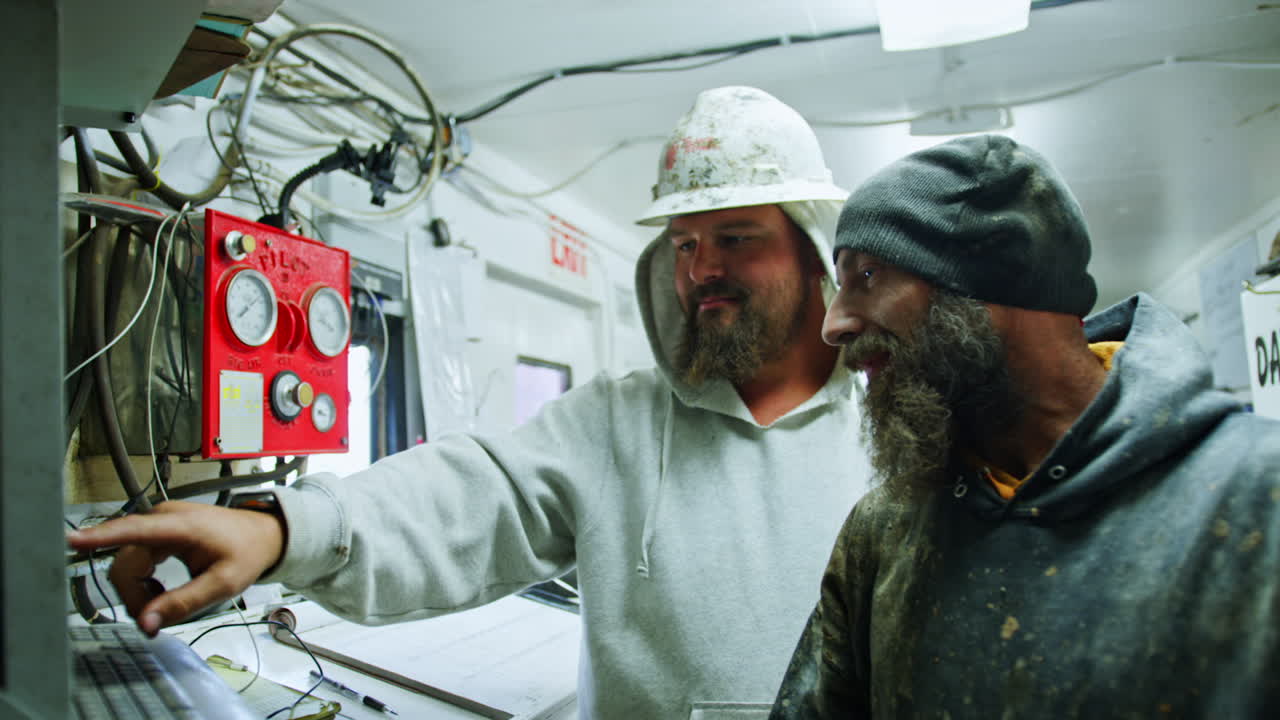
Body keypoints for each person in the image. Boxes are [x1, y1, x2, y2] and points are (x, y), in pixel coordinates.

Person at [69, 86, 874, 719]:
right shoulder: (618, 425)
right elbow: (471, 495)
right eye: (684, 244)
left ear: (813, 253)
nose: (699, 270)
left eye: (735, 236)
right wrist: (281, 526)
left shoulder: (895, 439)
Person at [769, 134, 1280, 718]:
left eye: (868, 276)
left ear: (995, 277)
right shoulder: (884, 534)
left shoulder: (1255, 495)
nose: (833, 325)